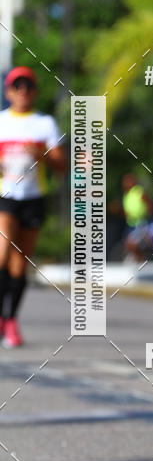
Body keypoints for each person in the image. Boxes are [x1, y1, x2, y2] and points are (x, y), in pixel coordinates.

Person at [0, 66, 66, 347]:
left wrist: (41, 154)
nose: (23, 91)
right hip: (5, 197)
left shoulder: (45, 124)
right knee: (2, 253)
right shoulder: (2, 122)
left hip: (33, 198)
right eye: (17, 86)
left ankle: (10, 320)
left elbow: (62, 165)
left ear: (35, 91)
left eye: (28, 86)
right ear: (8, 92)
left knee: (19, 265)